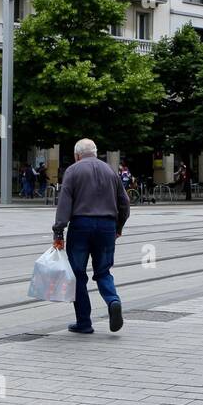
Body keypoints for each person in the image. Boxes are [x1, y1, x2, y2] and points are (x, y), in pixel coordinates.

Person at [53, 138, 128, 335]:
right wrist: (118, 226)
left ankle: (84, 323)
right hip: (107, 226)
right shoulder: (110, 171)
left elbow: (64, 203)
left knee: (78, 275)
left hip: (81, 226)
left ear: (77, 155)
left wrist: (59, 231)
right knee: (103, 271)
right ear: (95, 152)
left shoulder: (73, 171)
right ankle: (113, 301)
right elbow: (124, 203)